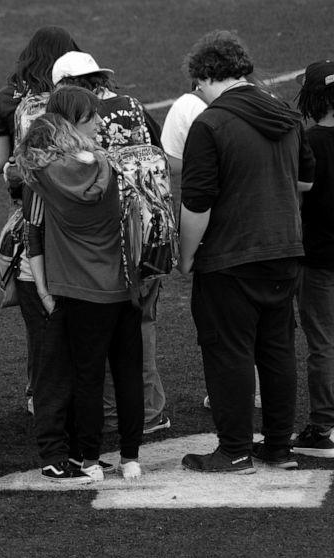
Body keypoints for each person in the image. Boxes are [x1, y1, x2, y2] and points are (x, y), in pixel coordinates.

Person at [178, 30, 314, 473]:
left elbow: (197, 202)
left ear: (204, 76)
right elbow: (306, 181)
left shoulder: (210, 123)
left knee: (229, 350)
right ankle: (278, 447)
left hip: (233, 256)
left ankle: (234, 449)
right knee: (276, 350)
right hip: (286, 249)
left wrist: (186, 257)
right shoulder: (285, 114)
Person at [15, 88, 144, 482]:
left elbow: (32, 229)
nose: (100, 122)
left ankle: (85, 457)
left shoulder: (41, 177)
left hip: (75, 289)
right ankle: (127, 457)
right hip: (121, 285)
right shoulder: (114, 167)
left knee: (83, 376)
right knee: (124, 374)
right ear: (72, 123)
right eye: (91, 117)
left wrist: (42, 290)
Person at [51, 50, 170, 437]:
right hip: (150, 232)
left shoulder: (71, 121)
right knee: (141, 323)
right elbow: (158, 155)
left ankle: (109, 416)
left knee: (96, 332)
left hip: (102, 241)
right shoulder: (134, 106)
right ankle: (149, 411)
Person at [0, 26, 81, 416]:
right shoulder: (80, 98)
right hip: (78, 213)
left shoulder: (11, 98)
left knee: (37, 304)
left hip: (29, 212)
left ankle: (37, 392)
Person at [291, 60, 334, 458]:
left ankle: (323, 426)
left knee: (322, 342)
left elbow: (297, 197)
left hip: (318, 259)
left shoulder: (307, 141)